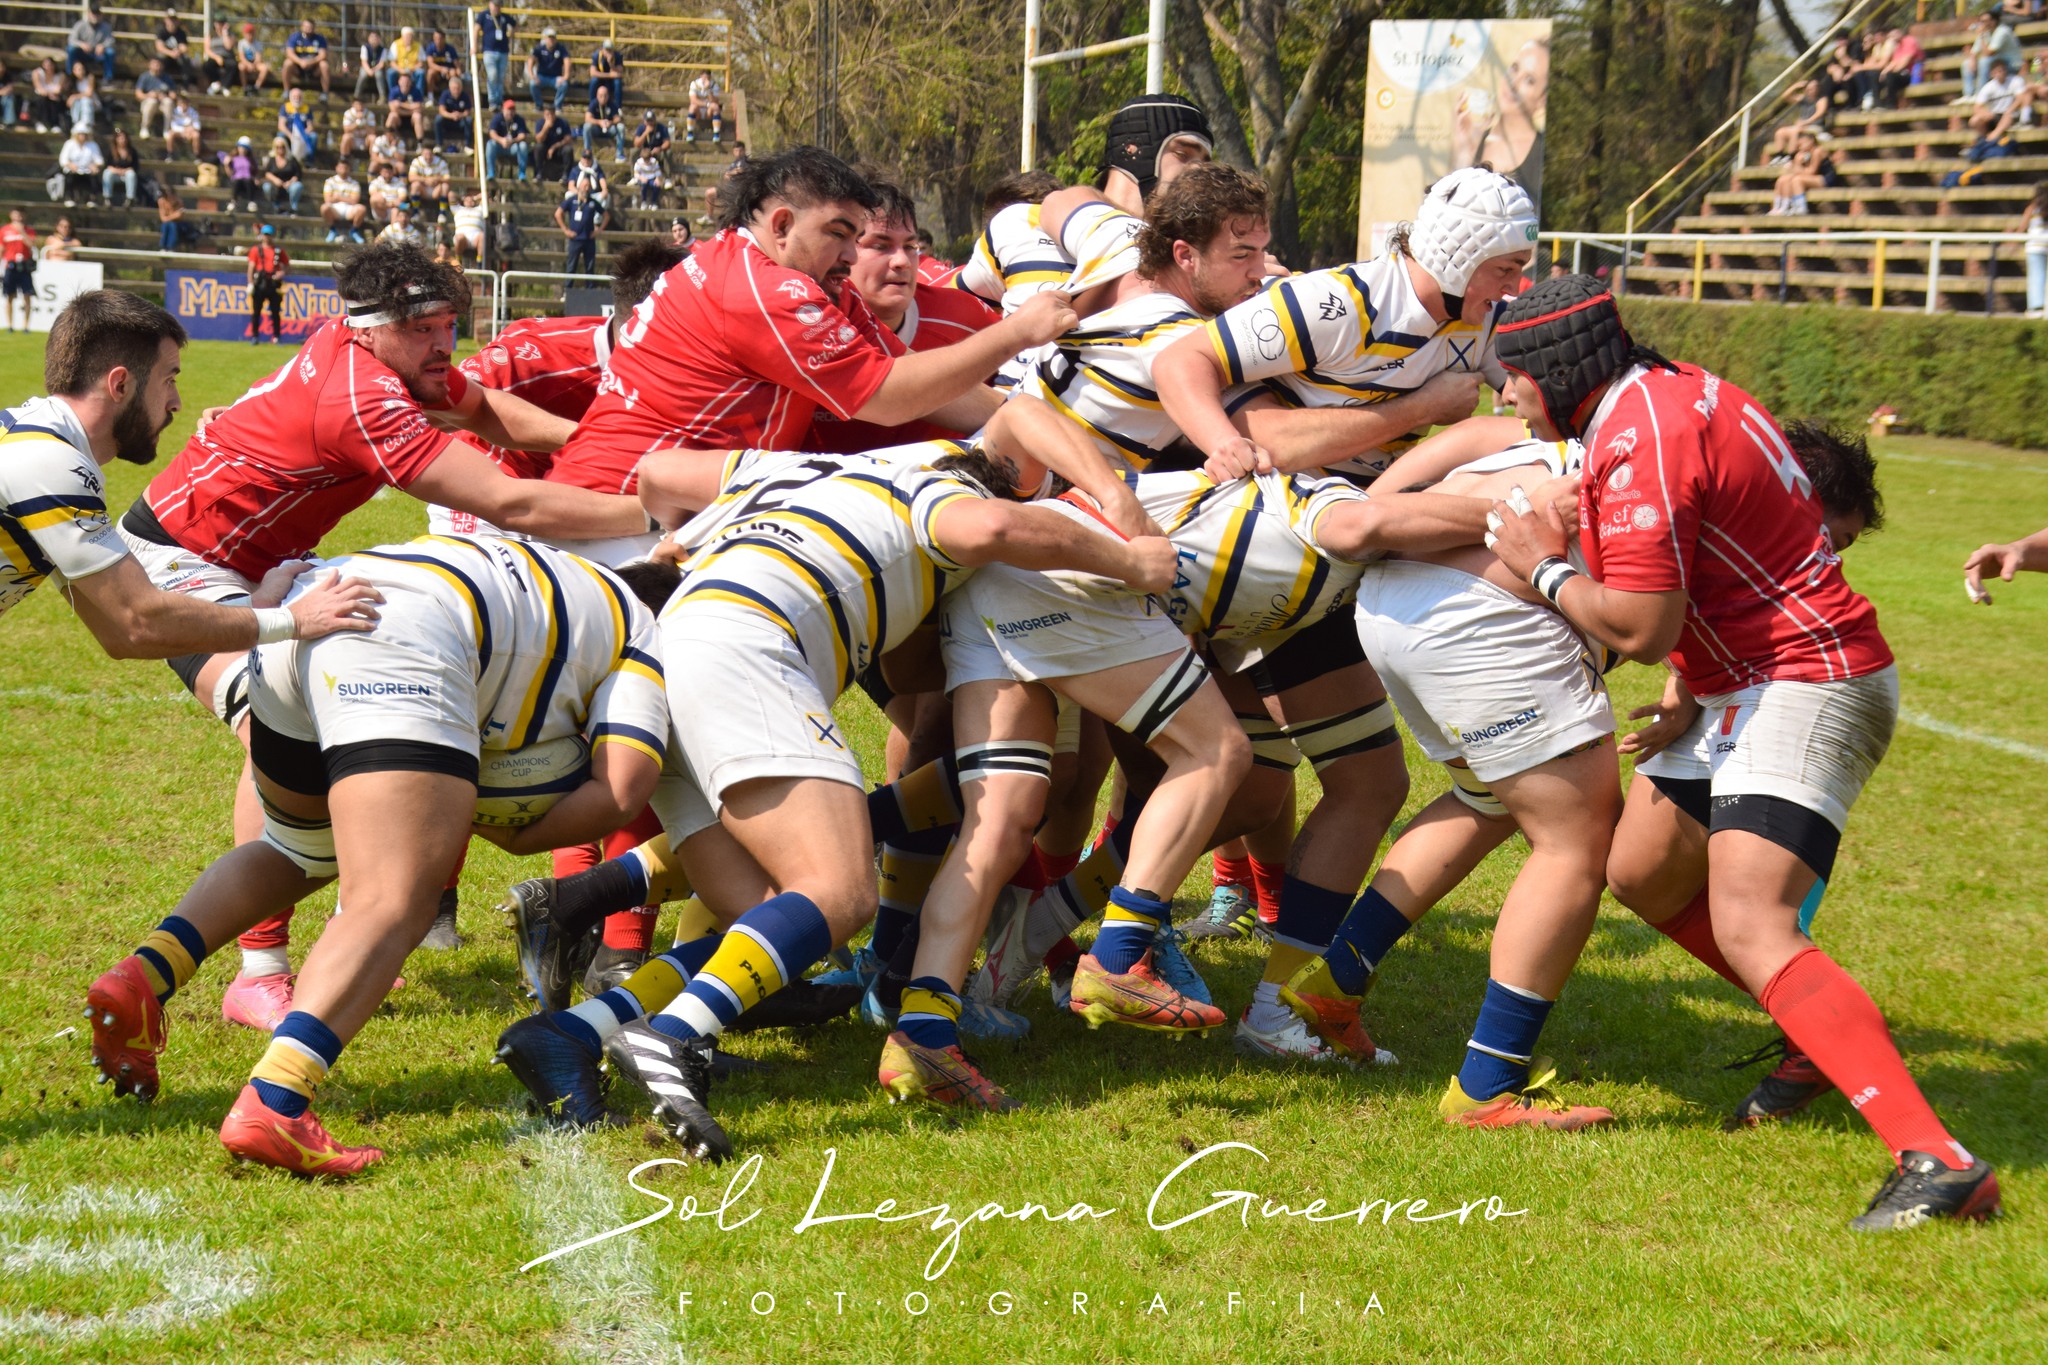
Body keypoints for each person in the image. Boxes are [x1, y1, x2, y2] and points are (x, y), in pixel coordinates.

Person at [1485, 273, 2000, 1231]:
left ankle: (1939, 1160)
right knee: (1636, 868)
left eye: (1511, 377)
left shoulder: (1641, 430)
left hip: (1807, 679)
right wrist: (1688, 688)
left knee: (1754, 918)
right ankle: (1814, 1035)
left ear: (1556, 370)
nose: (1504, 395)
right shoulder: (1655, 396)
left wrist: (1541, 566)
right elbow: (1719, 558)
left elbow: (1638, 623)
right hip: (1744, 684)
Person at [494, 435, 1175, 1153]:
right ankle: (670, 1036)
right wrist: (1130, 559)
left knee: (765, 917)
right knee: (838, 891)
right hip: (747, 643)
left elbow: (657, 471)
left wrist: (679, 541)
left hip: (666, 651)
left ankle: (571, 1031)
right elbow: (992, 527)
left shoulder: (787, 470)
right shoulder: (933, 485)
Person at [108, 242, 651, 1027]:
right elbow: (513, 502)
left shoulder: (384, 362)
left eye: (448, 324)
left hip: (270, 558)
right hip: (180, 563)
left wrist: (612, 458)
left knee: (343, 715)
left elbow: (487, 411)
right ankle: (261, 970)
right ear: (369, 329)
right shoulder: (363, 399)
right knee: (278, 727)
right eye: (423, 327)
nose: (445, 344)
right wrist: (658, 507)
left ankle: (348, 927)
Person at [85, 540, 676, 1175]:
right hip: (402, 643)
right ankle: (277, 1100)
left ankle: (146, 976)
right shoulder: (649, 633)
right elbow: (623, 788)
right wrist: (508, 830)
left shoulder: (571, 585)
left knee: (294, 847)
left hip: (318, 608)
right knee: (394, 897)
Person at [552, 145, 1080, 491]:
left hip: (676, 501)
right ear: (781, 224)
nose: (853, 256)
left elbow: (920, 379)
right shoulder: (763, 288)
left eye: (857, 238)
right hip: (617, 509)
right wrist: (1017, 332)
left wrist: (1051, 434)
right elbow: (890, 398)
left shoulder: (799, 278)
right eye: (840, 233)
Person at [2, 290, 378, 650]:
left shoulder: (46, 451)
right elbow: (138, 621)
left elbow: (117, 631)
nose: (177, 403)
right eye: (168, 380)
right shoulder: (48, 465)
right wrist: (294, 620)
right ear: (120, 384)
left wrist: (257, 605)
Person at [1156, 165, 1534, 486]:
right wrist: (1223, 444)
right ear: (1458, 259)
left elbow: (1542, 415)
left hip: (1371, 499)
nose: (1512, 288)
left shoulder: (1486, 319)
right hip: (1287, 495)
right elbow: (1179, 362)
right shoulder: (1336, 304)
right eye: (1505, 269)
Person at [246, 224, 288, 342]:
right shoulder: (256, 250)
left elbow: (286, 266)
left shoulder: (278, 251)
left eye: (269, 235)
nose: (267, 237)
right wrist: (250, 283)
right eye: (265, 234)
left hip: (274, 284)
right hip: (260, 283)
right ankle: (255, 336)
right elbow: (251, 268)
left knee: (275, 312)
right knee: (256, 312)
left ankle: (276, 336)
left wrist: (282, 273)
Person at [557, 178, 607, 275]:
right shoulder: (572, 201)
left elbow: (606, 216)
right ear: (579, 186)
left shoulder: (592, 202)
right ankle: (568, 289)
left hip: (589, 239)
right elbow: (558, 213)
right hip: (575, 239)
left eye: (588, 186)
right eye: (585, 186)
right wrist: (565, 230)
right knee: (571, 267)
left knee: (589, 267)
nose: (586, 188)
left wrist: (599, 230)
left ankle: (590, 289)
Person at [476, 0, 518, 107]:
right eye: (495, 5)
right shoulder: (484, 15)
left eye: (499, 5)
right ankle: (492, 100)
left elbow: (515, 25)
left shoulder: (504, 17)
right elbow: (476, 29)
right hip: (489, 51)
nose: (497, 7)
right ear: (490, 4)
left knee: (500, 77)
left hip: (503, 51)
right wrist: (474, 46)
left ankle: (499, 100)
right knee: (492, 75)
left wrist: (511, 35)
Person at [3, 210, 37, 332]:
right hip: (11, 265)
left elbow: (30, 244)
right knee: (10, 296)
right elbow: (2, 249)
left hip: (24, 266)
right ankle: (10, 325)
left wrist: (21, 231)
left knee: (27, 295)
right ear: (11, 215)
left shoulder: (29, 230)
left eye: (20, 214)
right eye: (15, 214)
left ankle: (26, 326)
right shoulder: (4, 230)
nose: (18, 217)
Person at [1970, 58, 2022, 136]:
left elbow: (2020, 98)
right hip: (1995, 115)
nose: (1999, 74)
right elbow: (1977, 107)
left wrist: (2010, 110)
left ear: (2006, 71)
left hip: (2011, 114)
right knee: (1974, 120)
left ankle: (1991, 138)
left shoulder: (2015, 81)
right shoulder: (1988, 87)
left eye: (2001, 71)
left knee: (2007, 116)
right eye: (1996, 72)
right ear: (1992, 74)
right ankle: (1982, 139)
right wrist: (1986, 113)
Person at [321, 159, 368, 243]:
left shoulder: (354, 183)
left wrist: (338, 197)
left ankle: (354, 231)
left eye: (345, 167)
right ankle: (332, 230)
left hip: (349, 209)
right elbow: (327, 199)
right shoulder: (329, 181)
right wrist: (347, 198)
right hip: (334, 209)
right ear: (336, 168)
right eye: (341, 167)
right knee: (324, 208)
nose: (343, 169)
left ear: (349, 169)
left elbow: (355, 200)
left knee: (362, 209)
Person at [1876, 27, 1923, 109]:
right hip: (1902, 74)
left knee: (1890, 76)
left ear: (1900, 32)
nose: (1892, 38)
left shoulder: (1909, 41)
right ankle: (1878, 104)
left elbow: (1905, 62)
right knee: (1877, 76)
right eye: (1891, 36)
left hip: (1912, 74)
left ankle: (1891, 105)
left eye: (1894, 34)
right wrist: (1884, 72)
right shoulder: (1898, 46)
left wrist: (1889, 73)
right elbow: (1894, 62)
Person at [284, 19, 331, 98]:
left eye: (310, 27)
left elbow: (323, 55)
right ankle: (286, 91)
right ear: (302, 27)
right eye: (306, 26)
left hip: (314, 68)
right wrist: (300, 62)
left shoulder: (320, 38)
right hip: (298, 68)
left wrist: (310, 62)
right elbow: (289, 53)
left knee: (324, 65)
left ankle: (325, 93)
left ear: (314, 28)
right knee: (287, 63)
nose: (308, 29)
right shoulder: (295, 37)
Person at [68, 6, 116, 85]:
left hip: (98, 54)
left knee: (110, 52)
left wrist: (102, 46)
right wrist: (81, 44)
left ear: (101, 15)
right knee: (71, 49)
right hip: (83, 53)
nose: (95, 17)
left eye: (97, 15)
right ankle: (70, 75)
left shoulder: (106, 27)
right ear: (88, 14)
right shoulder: (80, 25)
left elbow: (111, 41)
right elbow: (71, 40)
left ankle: (108, 78)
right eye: (93, 14)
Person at [527, 27, 570, 113]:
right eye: (549, 38)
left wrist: (565, 77)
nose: (551, 40)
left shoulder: (561, 49)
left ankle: (557, 107)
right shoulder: (539, 48)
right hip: (542, 77)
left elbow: (567, 61)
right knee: (532, 84)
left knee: (564, 84)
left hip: (555, 78)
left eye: (553, 38)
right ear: (545, 39)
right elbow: (531, 60)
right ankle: (539, 106)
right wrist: (532, 76)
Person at [487, 98, 531, 180]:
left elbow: (522, 135)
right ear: (503, 109)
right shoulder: (497, 118)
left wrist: (512, 141)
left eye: (512, 109)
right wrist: (501, 140)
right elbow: (492, 133)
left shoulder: (519, 119)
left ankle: (522, 173)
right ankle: (491, 172)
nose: (510, 112)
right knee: (490, 144)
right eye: (508, 109)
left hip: (513, 147)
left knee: (523, 145)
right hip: (500, 146)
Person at [59, 128, 102, 208]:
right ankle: (69, 198)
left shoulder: (93, 145)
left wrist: (94, 166)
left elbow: (99, 160)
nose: (82, 136)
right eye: (80, 134)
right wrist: (70, 165)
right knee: (69, 177)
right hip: (73, 170)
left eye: (84, 134)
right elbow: (63, 159)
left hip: (87, 171)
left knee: (94, 176)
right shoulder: (69, 144)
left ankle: (92, 199)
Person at [260, 137, 303, 216]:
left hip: (289, 185)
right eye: (277, 147)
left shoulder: (291, 159)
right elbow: (266, 172)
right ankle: (274, 207)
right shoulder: (271, 159)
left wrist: (290, 182)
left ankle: (293, 208)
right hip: (274, 185)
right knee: (266, 187)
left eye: (282, 146)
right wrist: (275, 180)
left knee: (298, 186)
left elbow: (298, 173)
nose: (280, 149)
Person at [136, 58, 177, 140]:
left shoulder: (167, 78)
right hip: (148, 103)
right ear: (149, 65)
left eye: (158, 64)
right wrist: (149, 95)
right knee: (152, 102)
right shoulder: (144, 77)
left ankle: (167, 130)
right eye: (154, 64)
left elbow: (174, 95)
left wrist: (166, 96)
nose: (156, 66)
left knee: (168, 102)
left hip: (163, 104)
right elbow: (138, 94)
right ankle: (144, 128)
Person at [583, 82, 625, 162]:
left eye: (605, 95)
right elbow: (587, 118)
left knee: (621, 127)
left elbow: (618, 118)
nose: (603, 98)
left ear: (608, 96)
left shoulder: (612, 104)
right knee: (586, 126)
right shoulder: (593, 103)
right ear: (597, 96)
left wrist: (611, 122)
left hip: (609, 129)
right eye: (601, 96)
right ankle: (587, 152)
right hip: (597, 129)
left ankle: (619, 154)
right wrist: (599, 122)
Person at [408, 144, 452, 219]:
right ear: (422, 154)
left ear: (433, 154)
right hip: (423, 190)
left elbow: (447, 178)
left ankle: (442, 213)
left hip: (436, 190)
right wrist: (425, 179)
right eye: (426, 154)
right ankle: (415, 213)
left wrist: (437, 179)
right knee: (415, 185)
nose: (428, 157)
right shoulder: (417, 161)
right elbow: (411, 177)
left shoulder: (440, 162)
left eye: (430, 154)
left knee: (445, 186)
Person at [2024, 182, 2048, 318]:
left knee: (2036, 276)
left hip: (2034, 247)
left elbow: (2023, 226)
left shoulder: (2032, 208)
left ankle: (2035, 307)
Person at [101, 127, 140, 207]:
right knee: (107, 173)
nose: (122, 140)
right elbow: (107, 166)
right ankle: (107, 198)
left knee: (131, 174)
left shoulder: (132, 151)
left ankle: (130, 199)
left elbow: (135, 167)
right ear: (116, 139)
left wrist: (125, 171)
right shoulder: (111, 151)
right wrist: (117, 171)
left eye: (124, 138)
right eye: (120, 138)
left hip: (126, 176)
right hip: (114, 175)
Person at [435, 74, 473, 153]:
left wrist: (460, 115)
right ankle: (439, 145)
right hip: (447, 121)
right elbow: (441, 110)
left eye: (458, 88)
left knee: (469, 120)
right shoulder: (445, 94)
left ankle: (467, 145)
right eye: (454, 88)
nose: (456, 90)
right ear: (450, 88)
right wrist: (451, 115)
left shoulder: (465, 96)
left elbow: (468, 111)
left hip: (460, 122)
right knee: (438, 119)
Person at [386, 70, 427, 143]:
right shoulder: (394, 91)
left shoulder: (416, 91)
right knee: (392, 115)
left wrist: (401, 104)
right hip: (399, 120)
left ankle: (420, 143)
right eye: (403, 81)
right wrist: (411, 108)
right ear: (399, 82)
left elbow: (419, 107)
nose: (405, 83)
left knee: (417, 116)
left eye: (407, 81)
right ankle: (387, 141)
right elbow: (393, 108)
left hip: (411, 120)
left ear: (410, 82)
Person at [278, 86, 317, 161]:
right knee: (280, 136)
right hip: (289, 133)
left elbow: (310, 126)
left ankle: (309, 161)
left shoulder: (307, 109)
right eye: (295, 96)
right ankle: (283, 159)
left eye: (299, 96)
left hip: (303, 134)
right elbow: (281, 125)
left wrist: (304, 134)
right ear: (290, 97)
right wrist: (290, 135)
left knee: (313, 136)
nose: (297, 98)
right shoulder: (285, 107)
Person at [535, 107, 574, 181]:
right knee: (538, 147)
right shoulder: (540, 123)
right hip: (545, 150)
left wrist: (554, 147)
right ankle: (538, 173)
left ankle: (566, 175)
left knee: (568, 149)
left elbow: (568, 139)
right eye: (547, 114)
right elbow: (539, 139)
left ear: (554, 114)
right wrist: (545, 128)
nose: (549, 117)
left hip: (559, 149)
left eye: (551, 114)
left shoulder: (562, 122)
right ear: (544, 115)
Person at [450, 188, 488, 263]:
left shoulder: (479, 209)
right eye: (467, 200)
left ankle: (480, 264)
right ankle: (458, 262)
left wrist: (474, 198)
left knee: (482, 236)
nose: (469, 201)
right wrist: (463, 197)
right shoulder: (457, 209)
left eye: (471, 200)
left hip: (476, 238)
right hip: (463, 238)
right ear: (463, 201)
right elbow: (451, 194)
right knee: (459, 237)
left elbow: (485, 195)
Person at [155, 8, 192, 83]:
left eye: (174, 19)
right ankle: (159, 83)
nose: (172, 21)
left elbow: (184, 47)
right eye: (170, 19)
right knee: (160, 58)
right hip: (166, 55)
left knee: (186, 59)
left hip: (177, 55)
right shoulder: (161, 32)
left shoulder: (181, 33)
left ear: (177, 21)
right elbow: (159, 47)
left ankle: (185, 84)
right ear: (165, 20)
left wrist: (178, 51)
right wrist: (170, 53)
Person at [32, 57, 67, 133]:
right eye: (46, 64)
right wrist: (49, 94)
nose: (48, 67)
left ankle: (55, 125)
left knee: (56, 100)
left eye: (50, 64)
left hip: (55, 97)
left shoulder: (61, 75)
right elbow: (39, 88)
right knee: (43, 99)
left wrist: (51, 94)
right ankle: (41, 123)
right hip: (41, 97)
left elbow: (59, 89)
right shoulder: (37, 73)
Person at [686, 71, 723, 145]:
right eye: (704, 77)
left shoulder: (714, 85)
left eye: (708, 78)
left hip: (708, 112)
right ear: (701, 76)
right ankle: (690, 133)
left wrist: (708, 90)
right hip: (698, 111)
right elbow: (693, 100)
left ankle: (716, 134)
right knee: (692, 107)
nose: (706, 79)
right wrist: (707, 104)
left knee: (715, 107)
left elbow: (714, 100)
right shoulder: (694, 84)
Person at [354, 29, 390, 101]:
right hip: (366, 68)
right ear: (368, 39)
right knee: (363, 74)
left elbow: (382, 63)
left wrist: (374, 70)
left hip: (378, 69)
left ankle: (382, 96)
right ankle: (357, 95)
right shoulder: (365, 47)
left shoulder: (383, 50)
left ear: (379, 39)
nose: (374, 40)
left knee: (379, 75)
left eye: (376, 38)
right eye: (372, 37)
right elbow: (364, 62)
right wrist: (369, 70)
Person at [337, 96, 376, 164]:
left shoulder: (370, 114)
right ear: (353, 105)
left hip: (365, 140)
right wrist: (357, 123)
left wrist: (364, 123)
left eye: (361, 104)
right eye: (357, 104)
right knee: (346, 137)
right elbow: (346, 130)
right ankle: (343, 160)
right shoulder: (348, 113)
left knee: (373, 138)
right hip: (353, 140)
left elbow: (372, 131)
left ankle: (373, 160)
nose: (359, 106)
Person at [225, 136, 260, 213]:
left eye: (245, 148)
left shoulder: (251, 160)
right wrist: (227, 165)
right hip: (237, 182)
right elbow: (230, 174)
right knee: (236, 181)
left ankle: (251, 202)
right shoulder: (233, 158)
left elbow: (255, 173)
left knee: (248, 180)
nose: (243, 150)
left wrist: (256, 179)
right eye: (241, 147)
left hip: (248, 182)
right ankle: (233, 202)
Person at [236, 23, 271, 97]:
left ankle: (256, 87)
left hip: (255, 63)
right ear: (244, 34)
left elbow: (259, 57)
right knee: (241, 67)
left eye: (251, 33)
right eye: (248, 33)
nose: (250, 35)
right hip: (245, 63)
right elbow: (241, 57)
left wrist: (253, 65)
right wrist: (248, 65)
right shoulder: (241, 43)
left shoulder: (258, 43)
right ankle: (245, 88)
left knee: (265, 68)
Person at [422, 28, 460, 97]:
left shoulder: (450, 49)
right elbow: (430, 64)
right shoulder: (430, 48)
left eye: (439, 38)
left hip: (449, 71)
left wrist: (458, 71)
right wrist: (441, 69)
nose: (437, 41)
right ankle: (430, 97)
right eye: (435, 38)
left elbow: (456, 63)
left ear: (444, 39)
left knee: (453, 73)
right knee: (430, 72)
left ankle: (452, 97)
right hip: (437, 72)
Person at [165, 92, 202, 159]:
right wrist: (184, 130)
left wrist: (191, 130)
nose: (183, 104)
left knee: (196, 135)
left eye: (185, 102)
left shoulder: (193, 112)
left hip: (190, 133)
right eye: (181, 102)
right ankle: (170, 154)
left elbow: (197, 125)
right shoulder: (175, 112)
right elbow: (173, 125)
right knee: (170, 134)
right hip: (178, 132)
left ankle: (197, 156)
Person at [66, 61, 99, 135]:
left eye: (81, 69)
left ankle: (87, 124)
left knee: (85, 100)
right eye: (77, 69)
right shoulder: (73, 82)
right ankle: (76, 123)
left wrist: (74, 97)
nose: (80, 71)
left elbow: (89, 94)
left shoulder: (90, 78)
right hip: (79, 105)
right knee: (77, 102)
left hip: (92, 102)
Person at [588, 38, 623, 109]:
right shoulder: (597, 55)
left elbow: (619, 73)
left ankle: (618, 108)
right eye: (607, 50)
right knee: (594, 81)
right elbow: (593, 73)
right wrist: (610, 75)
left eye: (610, 50)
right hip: (601, 80)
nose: (608, 52)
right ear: (603, 49)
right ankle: (591, 106)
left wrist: (611, 64)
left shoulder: (617, 56)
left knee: (617, 82)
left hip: (611, 82)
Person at [156, 187, 187, 251]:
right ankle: (163, 247)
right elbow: (163, 219)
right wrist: (174, 215)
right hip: (167, 224)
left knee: (172, 225)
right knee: (166, 225)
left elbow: (180, 217)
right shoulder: (162, 201)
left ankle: (170, 247)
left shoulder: (179, 202)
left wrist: (171, 216)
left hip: (178, 225)